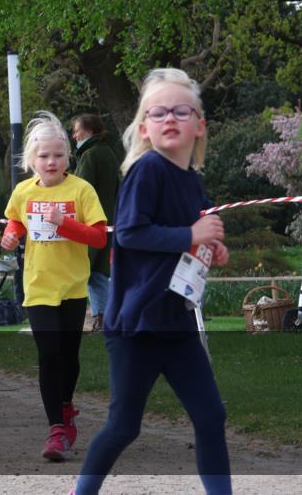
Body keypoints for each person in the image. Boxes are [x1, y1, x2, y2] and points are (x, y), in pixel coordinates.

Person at [74, 68, 231, 495]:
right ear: (144, 127)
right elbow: (129, 233)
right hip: (136, 325)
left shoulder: (193, 183)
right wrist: (190, 235)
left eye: (182, 111)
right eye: (158, 112)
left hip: (176, 324)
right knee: (124, 426)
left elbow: (196, 233)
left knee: (211, 416)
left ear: (199, 125)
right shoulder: (147, 170)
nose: (170, 119)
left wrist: (211, 247)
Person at [1, 111, 107, 461]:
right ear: (32, 160)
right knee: (48, 356)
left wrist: (64, 223)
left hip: (74, 288)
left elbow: (98, 238)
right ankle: (56, 432)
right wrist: (11, 236)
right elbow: (15, 220)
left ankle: (66, 406)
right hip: (38, 287)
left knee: (69, 357)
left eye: (58, 155)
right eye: (44, 156)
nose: (51, 161)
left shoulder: (81, 190)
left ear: (68, 157)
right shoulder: (22, 191)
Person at [71, 114, 121, 332]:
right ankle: (105, 318)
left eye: (76, 131)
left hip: (90, 224)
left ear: (89, 131)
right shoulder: (109, 153)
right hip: (108, 222)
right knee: (99, 273)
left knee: (86, 271)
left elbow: (80, 191)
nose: (74, 135)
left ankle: (101, 318)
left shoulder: (89, 156)